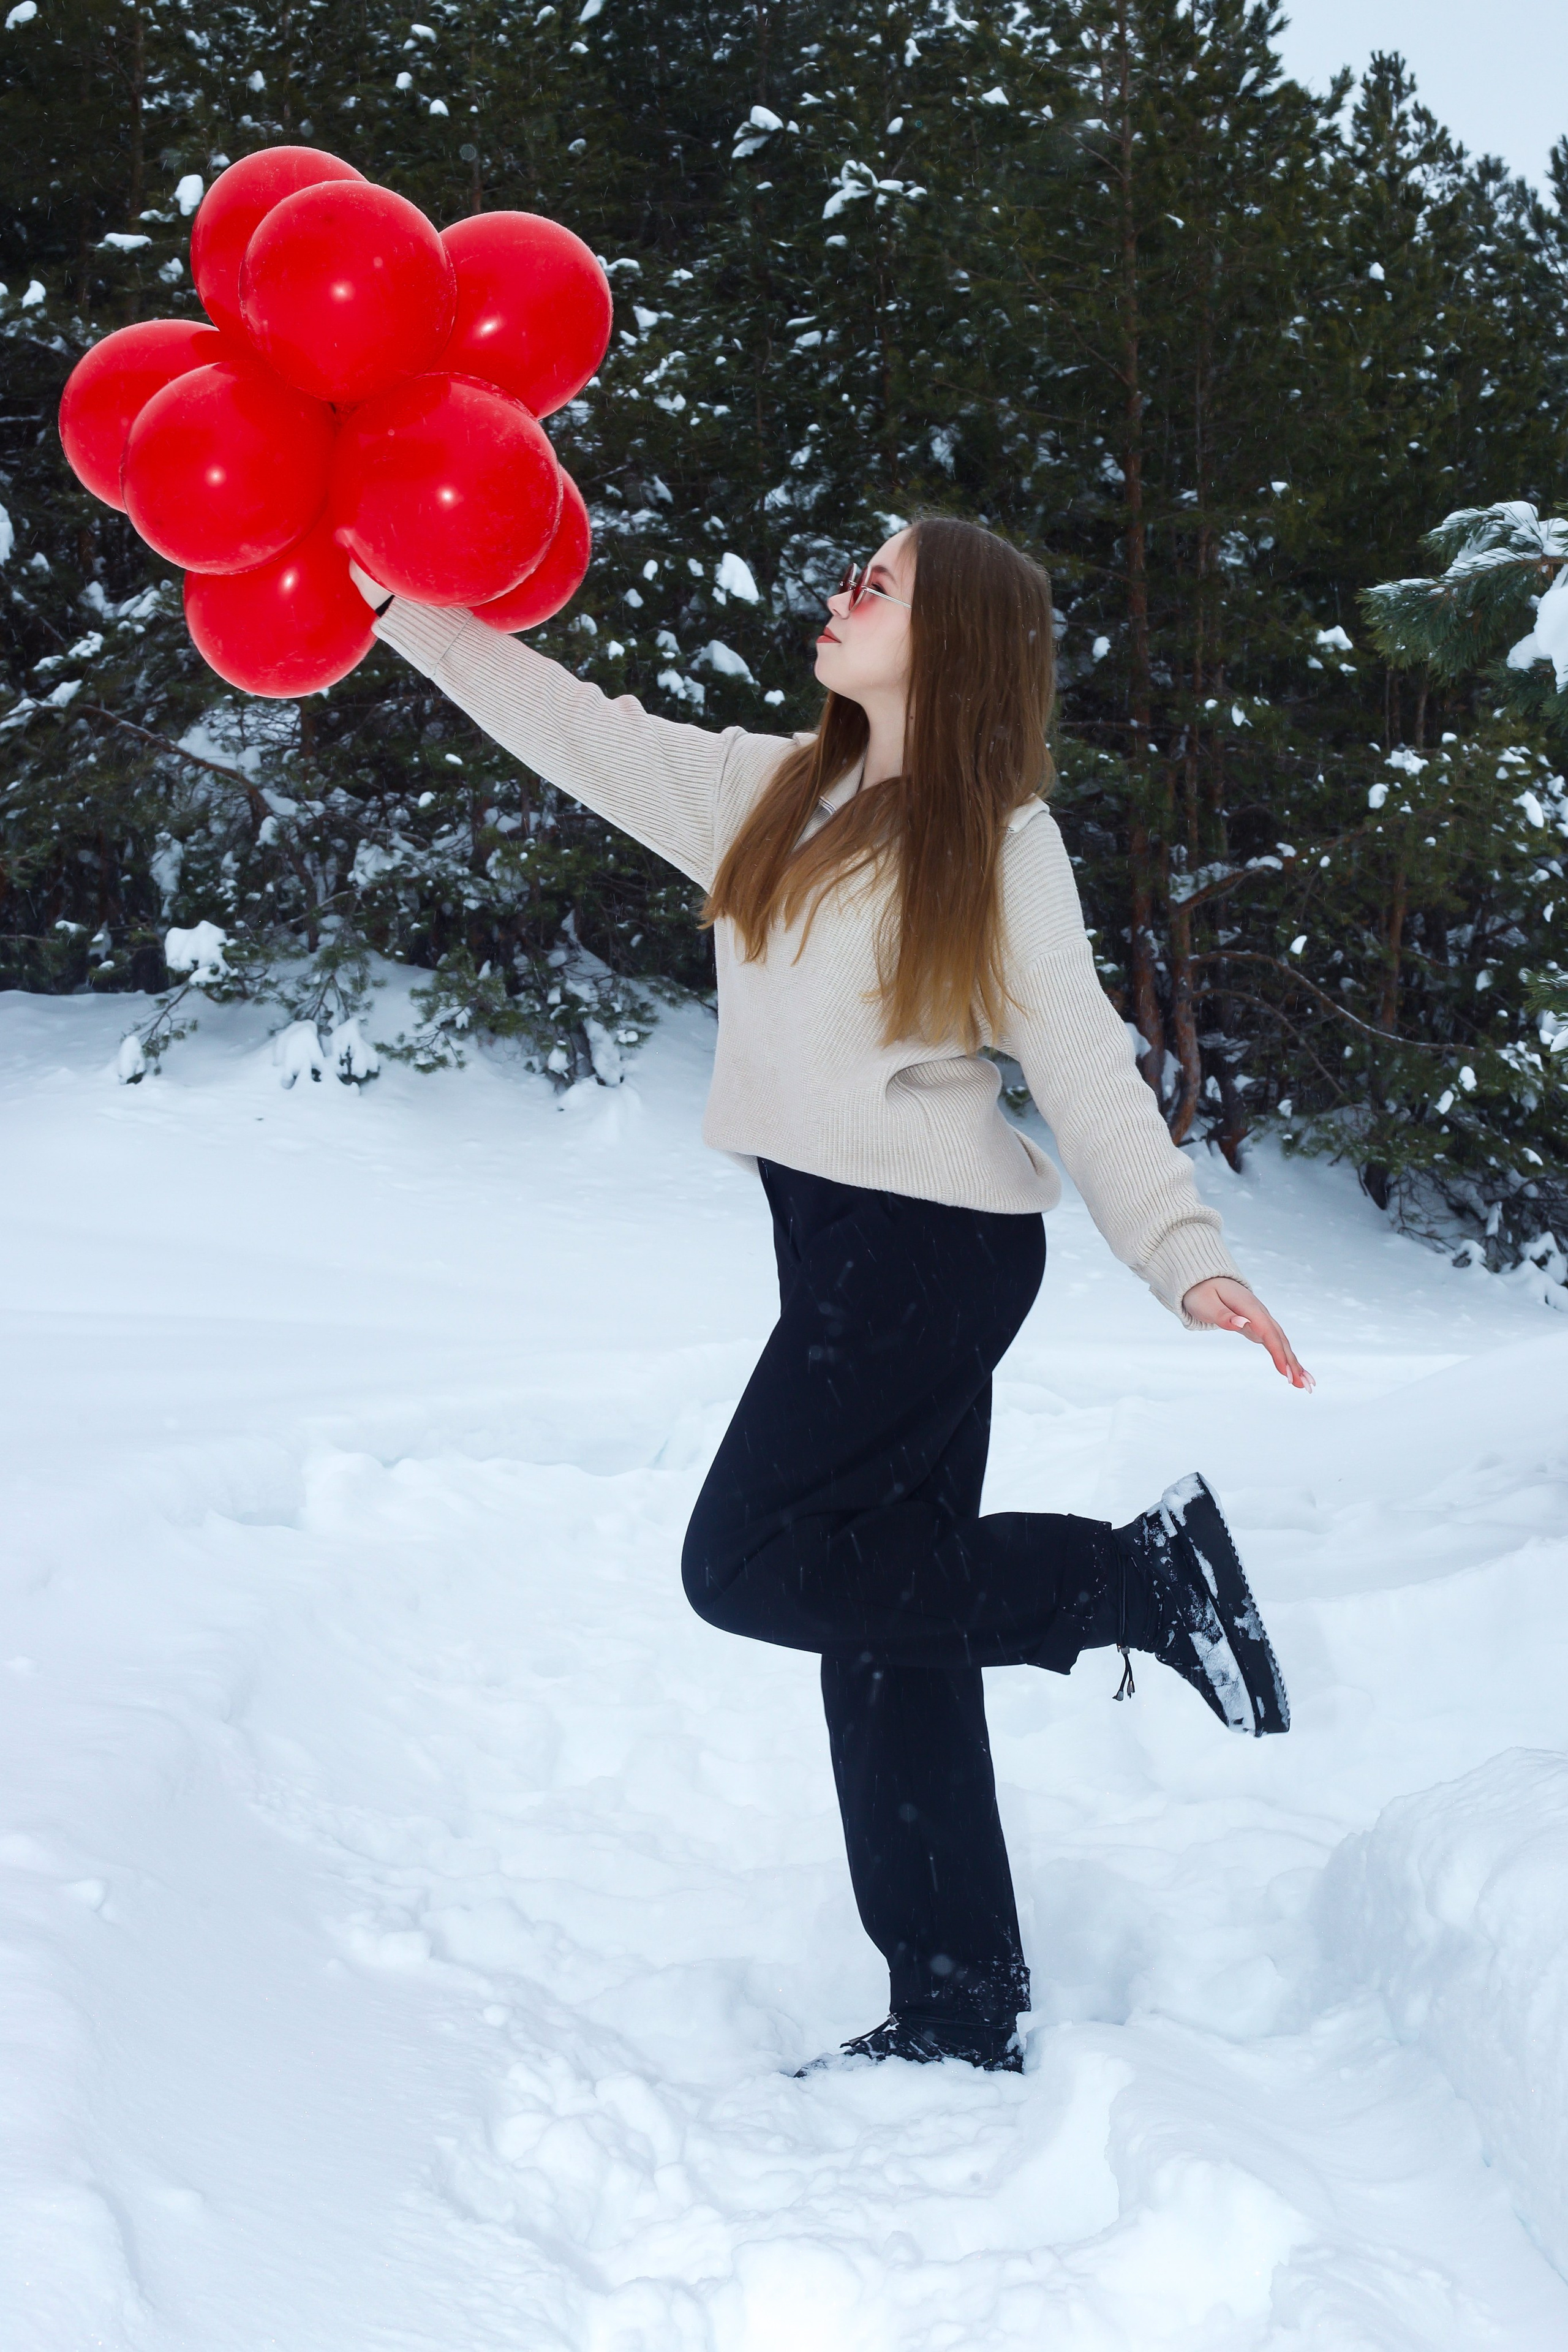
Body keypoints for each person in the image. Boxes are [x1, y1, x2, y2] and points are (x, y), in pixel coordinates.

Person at [352, 517, 1311, 2076]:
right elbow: (574, 729)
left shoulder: (994, 841)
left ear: (953, 645)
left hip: (926, 1255)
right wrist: (396, 597)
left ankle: (1136, 1588)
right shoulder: (769, 790)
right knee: (882, 1627)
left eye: (881, 584)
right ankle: (954, 2001)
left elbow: (1076, 1063)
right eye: (853, 572)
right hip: (842, 1245)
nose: (843, 593)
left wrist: (1185, 1254)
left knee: (743, 1562)